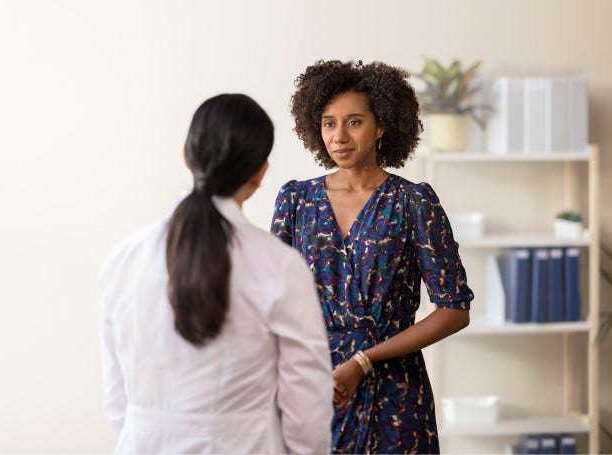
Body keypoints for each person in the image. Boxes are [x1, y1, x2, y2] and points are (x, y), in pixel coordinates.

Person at [100, 93, 333, 454]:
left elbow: (117, 400)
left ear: (186, 155)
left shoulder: (124, 258)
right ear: (260, 173)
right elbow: (307, 403)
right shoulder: (280, 266)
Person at [271, 60, 474, 454]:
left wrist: (364, 360)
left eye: (354, 122)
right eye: (329, 123)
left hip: (396, 395)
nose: (339, 136)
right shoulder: (295, 201)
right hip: (317, 387)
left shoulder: (414, 202)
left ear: (381, 126)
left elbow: (454, 309)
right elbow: (273, 302)